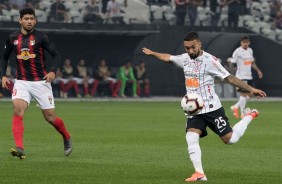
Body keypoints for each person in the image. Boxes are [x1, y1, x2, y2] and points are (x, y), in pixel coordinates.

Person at [142, 32, 266, 182]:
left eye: (192, 47)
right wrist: (153, 53)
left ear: (199, 44)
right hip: (194, 110)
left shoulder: (210, 61)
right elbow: (168, 58)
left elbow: (230, 78)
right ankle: (199, 173)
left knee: (231, 139)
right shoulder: (185, 59)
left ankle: (249, 115)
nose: (190, 51)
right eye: (187, 48)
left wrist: (251, 89)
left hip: (212, 108)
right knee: (191, 136)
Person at [0, 8, 72, 159]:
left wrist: (53, 71)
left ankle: (66, 136)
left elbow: (56, 54)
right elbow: (4, 57)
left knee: (50, 118)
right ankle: (20, 147)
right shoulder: (12, 37)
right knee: (18, 109)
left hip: (41, 82)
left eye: (31, 18)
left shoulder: (41, 37)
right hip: (22, 82)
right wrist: (3, 75)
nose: (29, 21)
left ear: (35, 20)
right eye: (26, 18)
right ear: (20, 20)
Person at [230, 36, 263, 119]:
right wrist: (231, 75)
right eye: (243, 42)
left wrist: (258, 70)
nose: (245, 44)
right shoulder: (237, 51)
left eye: (246, 42)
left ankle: (235, 107)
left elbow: (252, 63)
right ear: (241, 43)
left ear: (249, 43)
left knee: (252, 94)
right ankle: (243, 113)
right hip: (241, 76)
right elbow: (232, 63)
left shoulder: (250, 50)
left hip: (249, 76)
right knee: (243, 94)